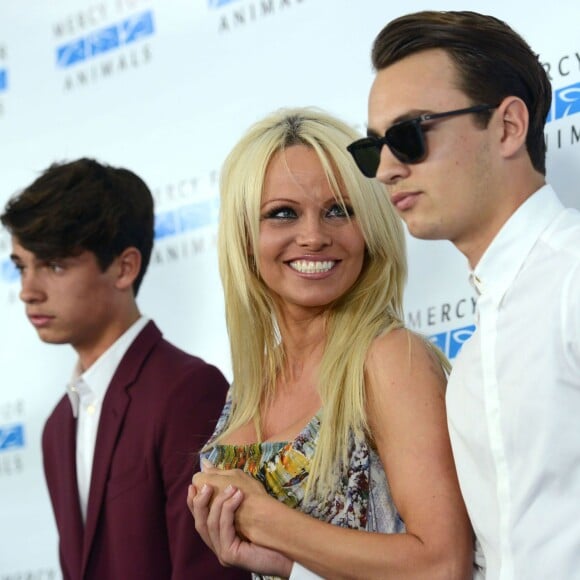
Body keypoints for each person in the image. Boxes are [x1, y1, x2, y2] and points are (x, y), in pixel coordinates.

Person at [186, 107, 474, 579]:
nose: (314, 237)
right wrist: (280, 564)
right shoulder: (251, 384)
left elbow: (441, 566)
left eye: (339, 211)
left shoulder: (388, 359)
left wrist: (269, 521)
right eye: (282, 213)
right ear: (244, 236)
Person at [346, 10, 580, 579]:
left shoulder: (573, 277)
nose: (385, 171)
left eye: (408, 136)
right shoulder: (472, 362)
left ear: (506, 127)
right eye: (372, 148)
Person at [0, 158, 249, 580]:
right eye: (23, 266)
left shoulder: (189, 391)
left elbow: (211, 569)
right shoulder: (58, 425)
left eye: (55, 265)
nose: (28, 291)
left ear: (124, 267)